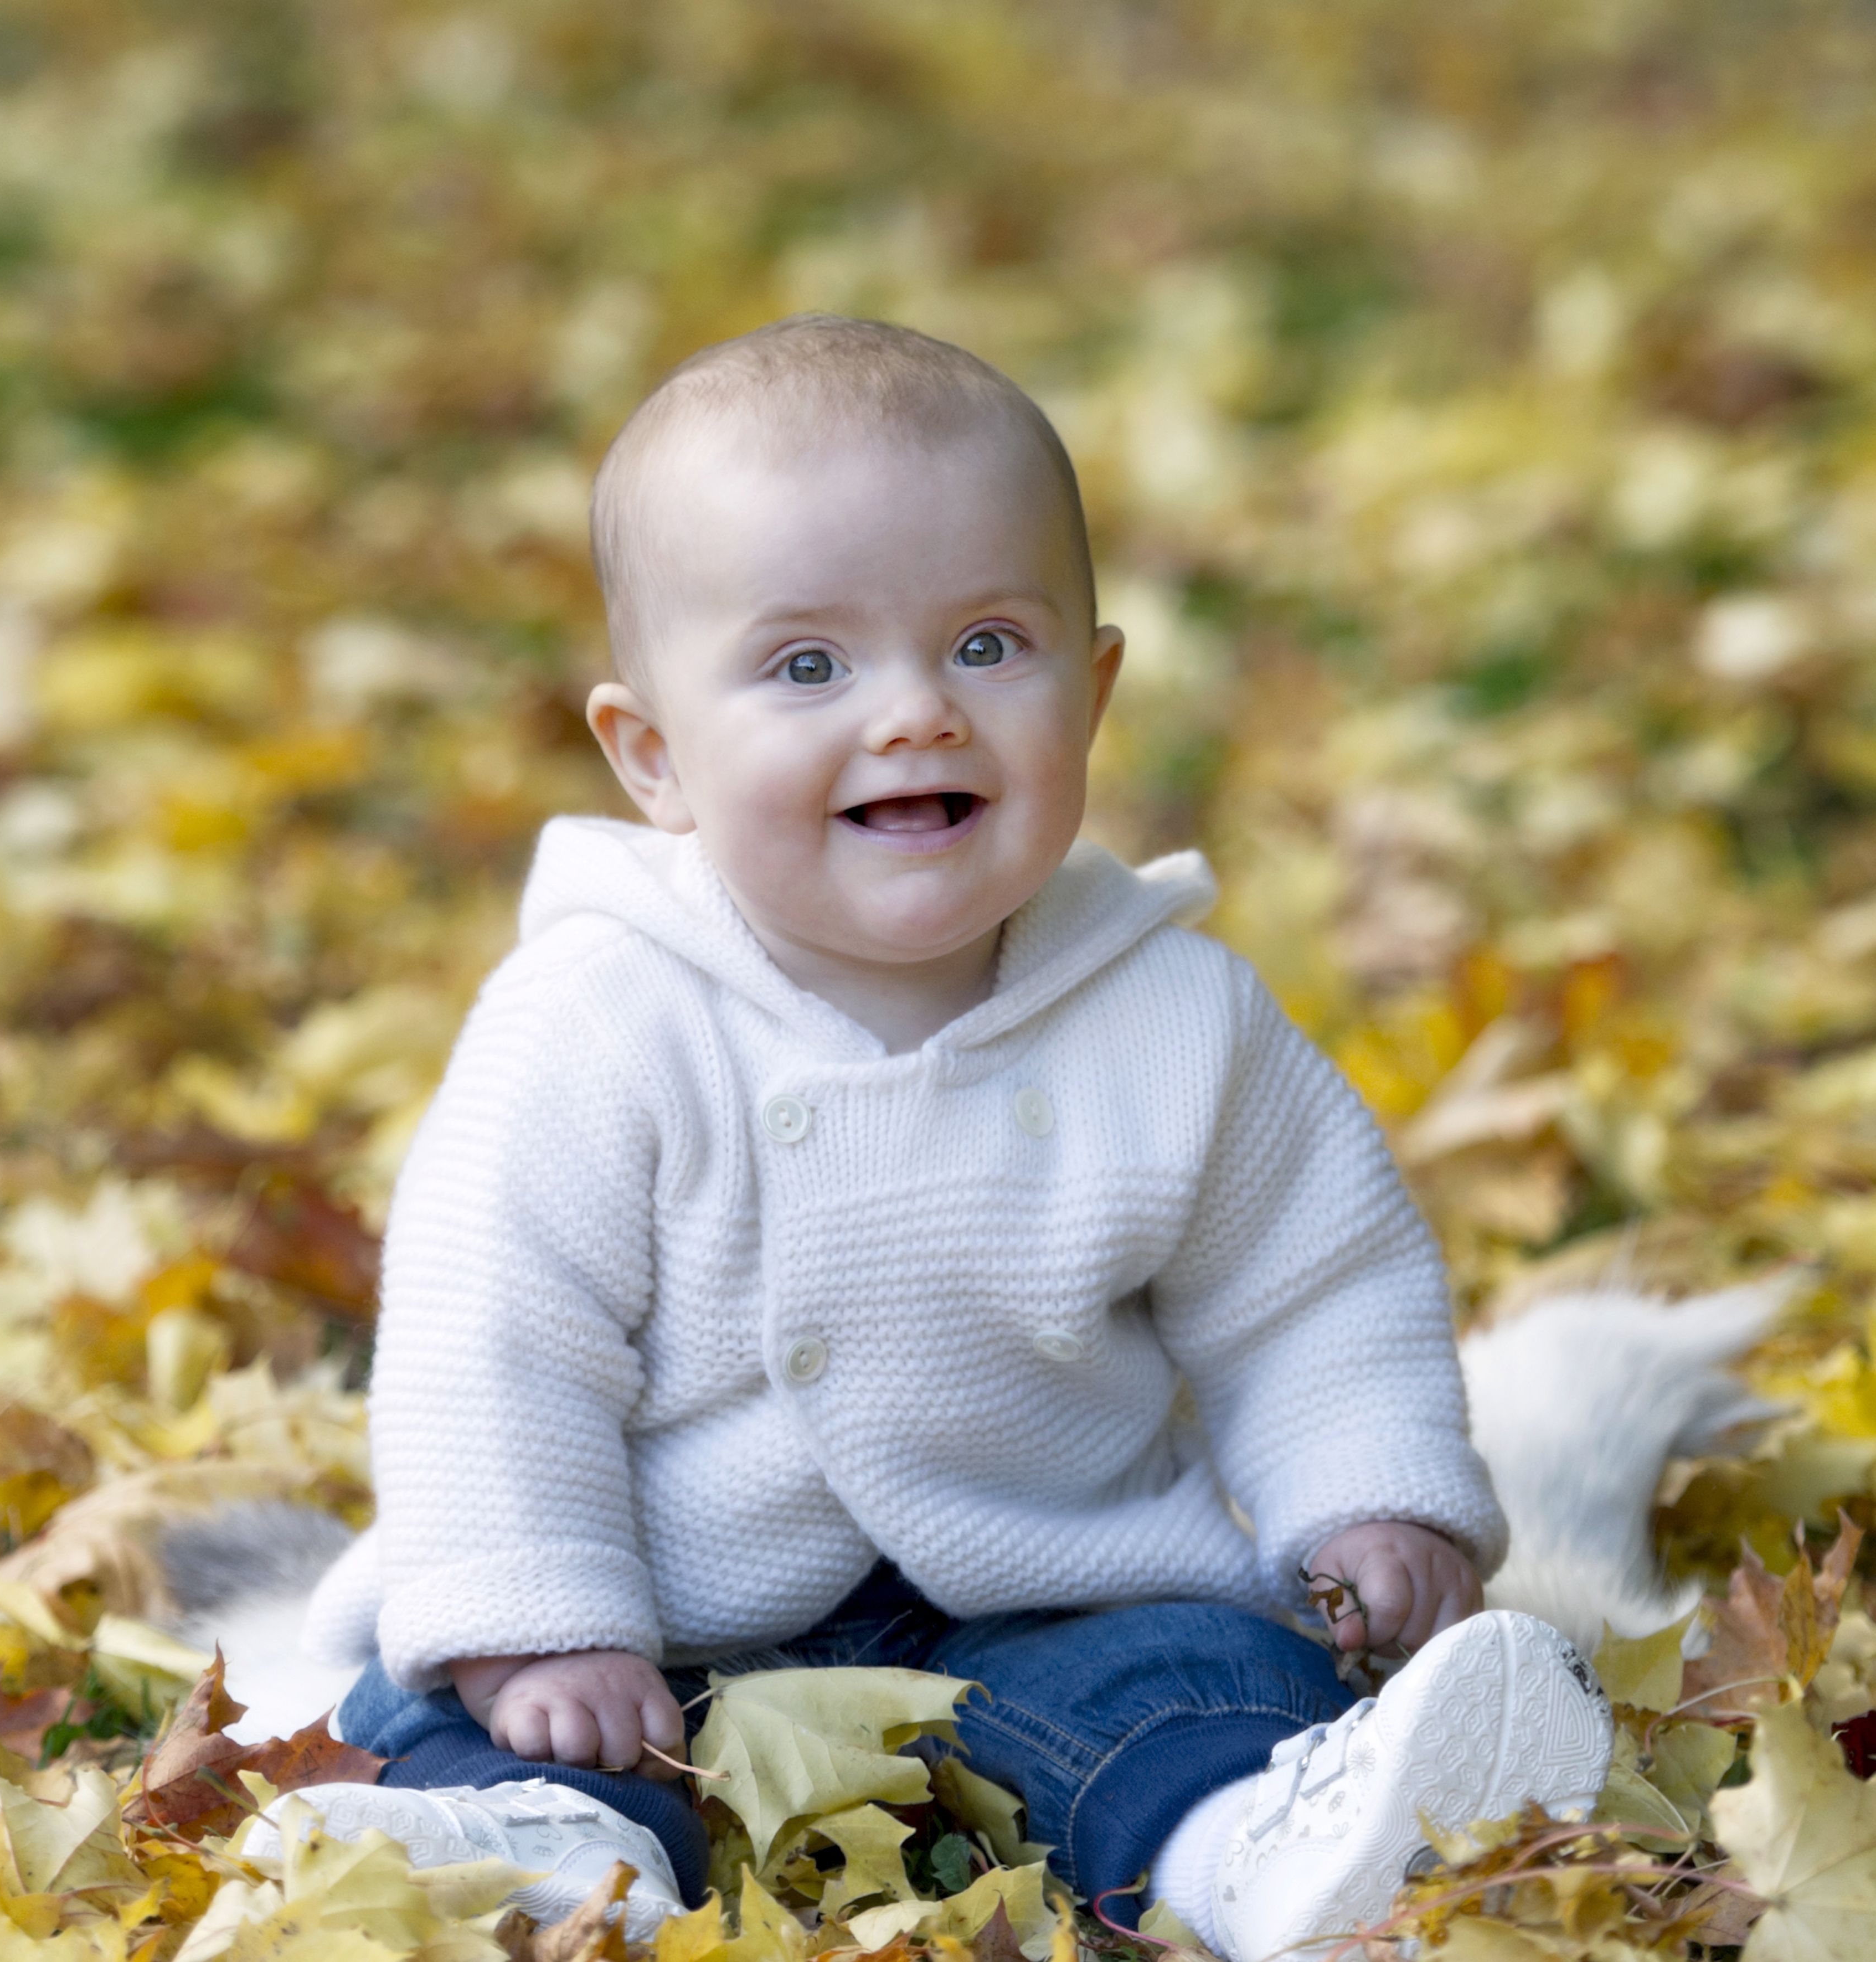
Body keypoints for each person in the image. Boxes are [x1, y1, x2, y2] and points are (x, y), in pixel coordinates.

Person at [243, 315, 1612, 1959]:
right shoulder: (597, 1022)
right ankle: (535, 1852)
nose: (915, 716)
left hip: (1044, 1584)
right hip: (649, 1614)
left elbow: (1312, 1287)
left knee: (1200, 1679)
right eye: (809, 667)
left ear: (1093, 694)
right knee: (458, 1705)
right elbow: (495, 1346)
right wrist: (535, 1627)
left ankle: (1264, 1835)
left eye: (986, 645)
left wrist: (1370, 1497)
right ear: (656, 757)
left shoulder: (1175, 1020)